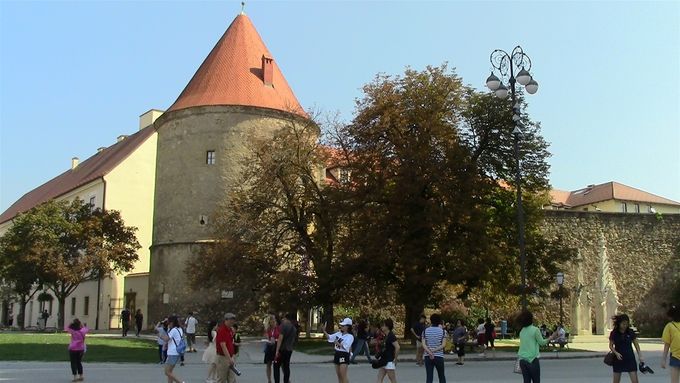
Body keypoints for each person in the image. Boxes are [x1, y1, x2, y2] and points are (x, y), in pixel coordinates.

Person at [517, 310, 559, 383]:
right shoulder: (535, 330)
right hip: (532, 359)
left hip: (522, 360)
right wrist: (551, 337)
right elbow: (542, 343)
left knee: (526, 381)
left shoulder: (522, 330)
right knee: (536, 381)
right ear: (531, 319)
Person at [610, 314, 644, 383]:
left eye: (626, 324)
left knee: (635, 381)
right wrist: (616, 353)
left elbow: (636, 344)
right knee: (616, 381)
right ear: (619, 323)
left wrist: (640, 355)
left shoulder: (630, 332)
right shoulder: (614, 333)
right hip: (618, 359)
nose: (625, 326)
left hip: (630, 358)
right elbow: (611, 346)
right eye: (623, 324)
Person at [324, 317, 354, 383]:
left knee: (343, 375)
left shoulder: (350, 336)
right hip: (337, 353)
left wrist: (338, 343)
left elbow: (346, 346)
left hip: (344, 354)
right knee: (339, 375)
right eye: (341, 325)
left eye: (343, 326)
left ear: (347, 327)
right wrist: (324, 331)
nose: (341, 327)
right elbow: (330, 337)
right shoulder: (338, 333)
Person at [422, 313, 446, 383]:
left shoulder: (425, 331)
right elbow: (443, 345)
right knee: (441, 376)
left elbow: (424, 344)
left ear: (431, 321)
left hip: (428, 356)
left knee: (429, 377)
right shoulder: (443, 332)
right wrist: (433, 350)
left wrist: (429, 352)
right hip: (439, 356)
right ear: (439, 321)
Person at [274, 313, 297, 383]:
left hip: (282, 349)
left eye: (284, 318)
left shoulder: (283, 326)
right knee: (286, 366)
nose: (283, 320)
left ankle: (277, 381)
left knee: (276, 366)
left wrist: (277, 350)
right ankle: (286, 381)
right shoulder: (294, 328)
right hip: (289, 349)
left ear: (286, 319)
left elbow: (280, 338)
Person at [161, 315, 184, 383]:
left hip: (173, 353)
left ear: (172, 323)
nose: (168, 324)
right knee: (170, 372)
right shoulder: (179, 329)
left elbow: (166, 339)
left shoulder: (173, 330)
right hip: (175, 352)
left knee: (167, 372)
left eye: (169, 323)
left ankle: (181, 382)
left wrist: (159, 335)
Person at [215, 313, 237, 383]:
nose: (232, 322)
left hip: (230, 356)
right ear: (226, 320)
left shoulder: (230, 330)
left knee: (232, 378)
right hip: (223, 357)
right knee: (222, 378)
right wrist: (229, 358)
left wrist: (232, 356)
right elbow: (223, 346)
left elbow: (230, 342)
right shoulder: (222, 330)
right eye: (230, 320)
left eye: (233, 320)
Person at [376, 318, 400, 383]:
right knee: (379, 378)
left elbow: (397, 347)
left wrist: (395, 359)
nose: (381, 327)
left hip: (389, 361)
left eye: (383, 325)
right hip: (384, 360)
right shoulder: (386, 336)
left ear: (387, 326)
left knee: (392, 379)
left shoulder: (391, 336)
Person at [661, 304, 680, 383]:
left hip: (675, 356)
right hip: (675, 357)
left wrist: (663, 359)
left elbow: (667, 345)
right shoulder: (669, 326)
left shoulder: (669, 326)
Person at [65, 318, 88, 382]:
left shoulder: (72, 331)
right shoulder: (83, 331)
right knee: (79, 362)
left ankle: (75, 377)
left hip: (73, 348)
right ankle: (81, 375)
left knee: (73, 363)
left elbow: (66, 328)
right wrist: (81, 325)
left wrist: (70, 324)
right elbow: (86, 328)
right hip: (81, 348)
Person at [264, 315, 280, 383]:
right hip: (269, 347)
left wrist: (276, 340)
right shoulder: (268, 329)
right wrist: (269, 340)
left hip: (277, 346)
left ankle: (287, 378)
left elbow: (280, 337)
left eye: (274, 321)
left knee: (280, 364)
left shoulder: (278, 328)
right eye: (271, 322)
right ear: (269, 323)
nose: (273, 323)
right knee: (268, 364)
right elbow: (267, 338)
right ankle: (269, 380)